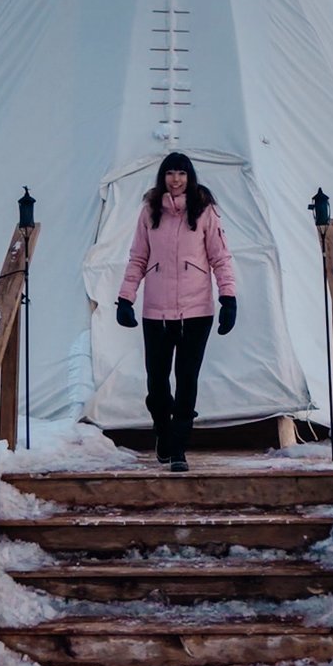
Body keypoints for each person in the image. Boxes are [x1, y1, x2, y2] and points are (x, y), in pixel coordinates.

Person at [116, 152, 237, 472]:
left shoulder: (205, 212)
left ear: (190, 176)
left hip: (197, 312)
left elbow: (220, 258)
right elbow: (137, 258)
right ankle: (163, 430)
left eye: (181, 173)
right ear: (162, 177)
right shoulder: (150, 212)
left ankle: (179, 446)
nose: (176, 179)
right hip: (156, 312)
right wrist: (125, 299)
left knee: (186, 380)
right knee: (157, 384)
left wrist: (228, 298)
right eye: (170, 173)